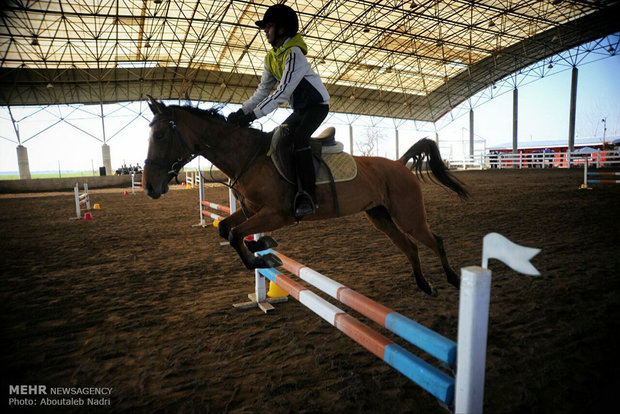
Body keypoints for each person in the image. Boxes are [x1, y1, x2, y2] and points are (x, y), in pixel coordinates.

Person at [227, 4, 330, 218]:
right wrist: (241, 112)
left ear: (282, 29)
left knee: (300, 140)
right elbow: (262, 92)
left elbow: (282, 93)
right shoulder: (271, 58)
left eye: (269, 26)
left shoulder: (294, 54)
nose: (265, 31)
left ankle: (308, 196)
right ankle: (287, 189)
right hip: (301, 109)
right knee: (278, 139)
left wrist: (252, 116)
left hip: (317, 106)